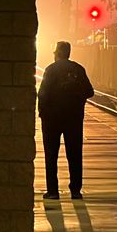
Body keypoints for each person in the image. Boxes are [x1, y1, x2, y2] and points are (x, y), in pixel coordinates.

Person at [38, 41, 94, 200]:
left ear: (57, 53)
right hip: (74, 119)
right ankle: (75, 190)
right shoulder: (78, 69)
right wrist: (76, 96)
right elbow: (90, 92)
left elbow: (42, 93)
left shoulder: (51, 70)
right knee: (75, 154)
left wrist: (42, 112)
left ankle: (53, 191)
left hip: (52, 120)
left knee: (51, 155)